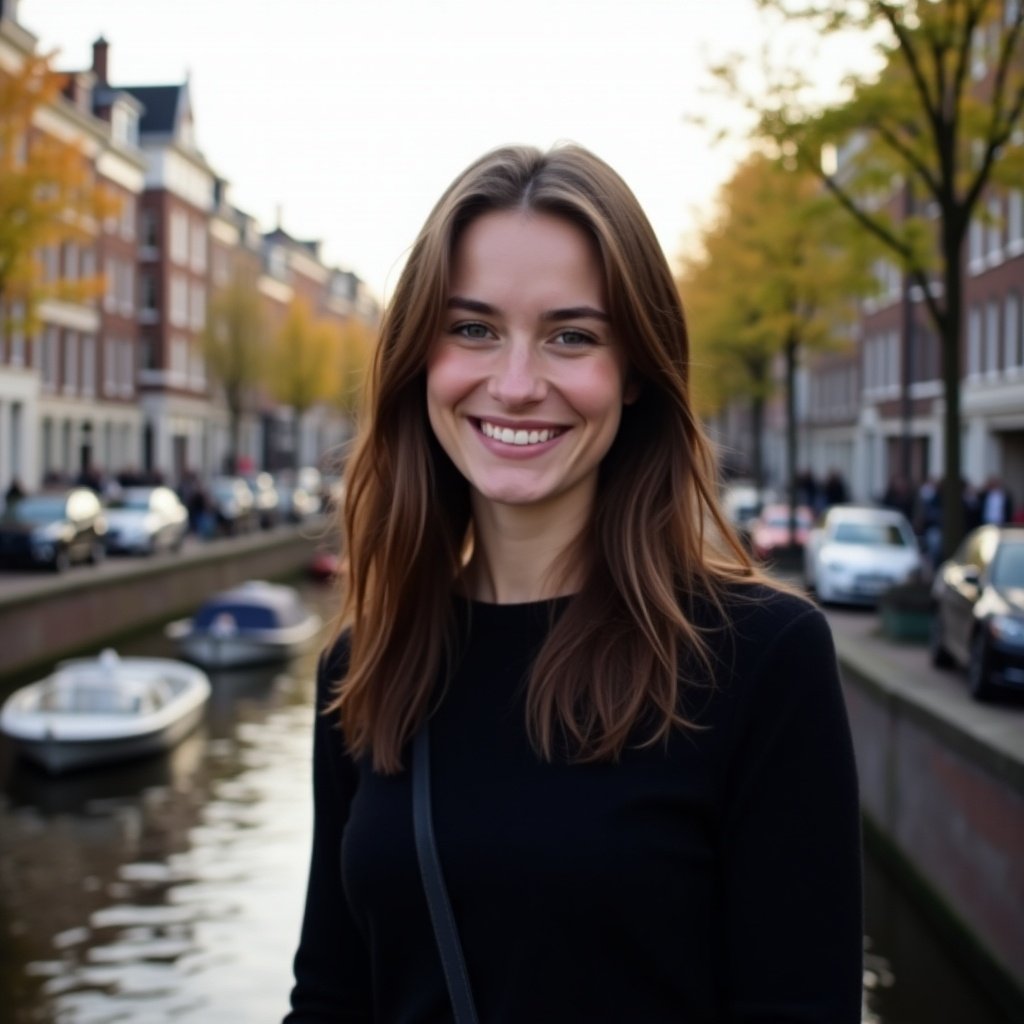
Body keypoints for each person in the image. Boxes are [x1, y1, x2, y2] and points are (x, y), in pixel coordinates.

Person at [285, 144, 862, 1023]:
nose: (515, 385)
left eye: (572, 336)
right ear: (418, 360)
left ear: (634, 373)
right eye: (473, 328)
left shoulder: (759, 660)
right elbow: (332, 997)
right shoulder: (370, 665)